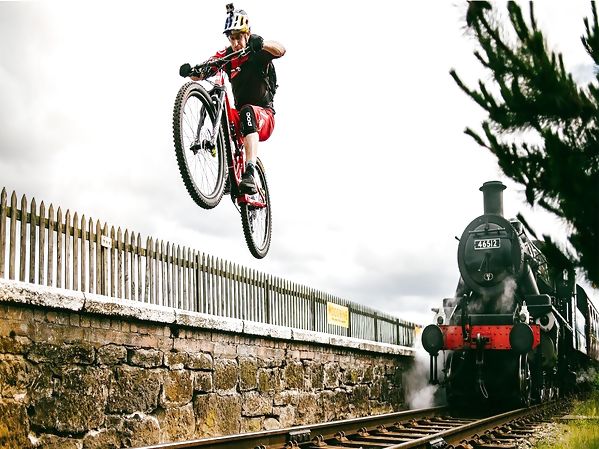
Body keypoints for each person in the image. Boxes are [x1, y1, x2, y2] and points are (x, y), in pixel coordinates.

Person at [191, 4, 285, 194]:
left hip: (264, 115)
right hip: (241, 115)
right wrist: (193, 72)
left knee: (247, 111)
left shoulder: (256, 49)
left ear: (247, 33)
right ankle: (227, 172)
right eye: (231, 38)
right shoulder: (229, 55)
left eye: (238, 37)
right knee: (225, 114)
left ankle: (250, 172)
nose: (235, 43)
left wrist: (262, 44)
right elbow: (207, 68)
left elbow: (281, 50)